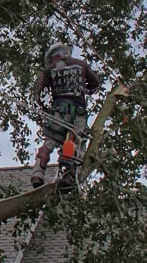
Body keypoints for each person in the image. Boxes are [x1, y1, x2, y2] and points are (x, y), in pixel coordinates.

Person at [30, 42, 99, 193]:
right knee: (72, 142)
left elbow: (40, 95)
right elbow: (95, 83)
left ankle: (37, 174)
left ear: (53, 56)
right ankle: (67, 175)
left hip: (58, 112)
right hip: (78, 112)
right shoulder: (81, 64)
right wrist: (83, 89)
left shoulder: (49, 70)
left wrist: (46, 109)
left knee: (49, 142)